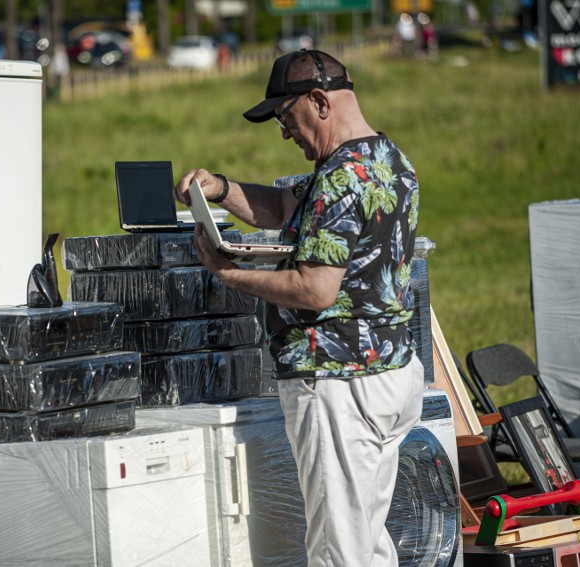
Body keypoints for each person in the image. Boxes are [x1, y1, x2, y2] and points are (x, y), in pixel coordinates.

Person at [174, 49, 424, 567]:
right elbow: (286, 206)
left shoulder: (337, 178)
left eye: (287, 117)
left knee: (339, 552)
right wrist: (219, 190)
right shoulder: (388, 160)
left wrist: (227, 272)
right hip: (388, 372)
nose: (285, 133)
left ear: (319, 101)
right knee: (367, 543)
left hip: (338, 382)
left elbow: (315, 290)